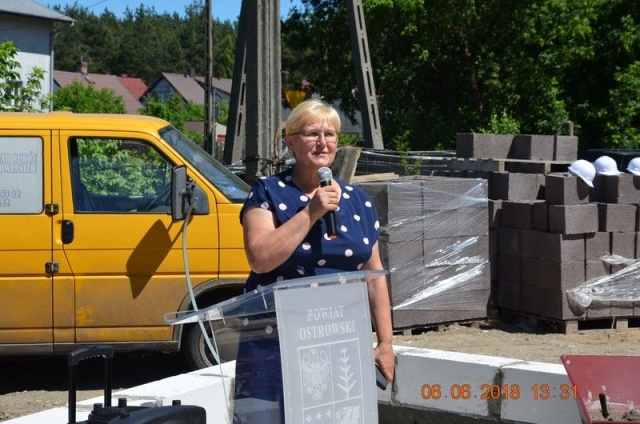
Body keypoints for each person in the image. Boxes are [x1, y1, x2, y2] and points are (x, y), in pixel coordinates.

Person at [233, 98, 394, 423]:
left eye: (330, 134)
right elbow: (260, 258)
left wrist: (386, 343)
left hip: (340, 341)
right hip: (276, 343)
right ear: (291, 142)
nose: (323, 142)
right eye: (312, 134)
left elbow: (374, 276)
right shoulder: (267, 192)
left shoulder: (360, 201)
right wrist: (311, 212)